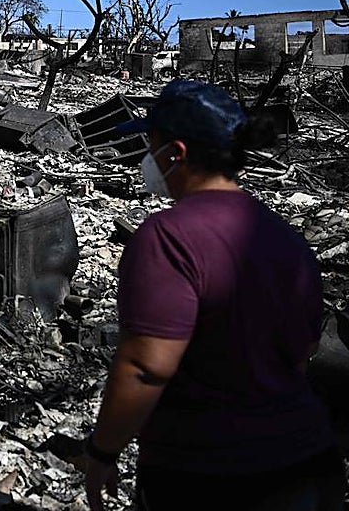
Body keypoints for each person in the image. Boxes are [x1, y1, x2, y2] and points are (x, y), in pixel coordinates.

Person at [85, 79, 341, 511]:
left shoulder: (167, 238)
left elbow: (146, 367)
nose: (147, 158)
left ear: (176, 153)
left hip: (212, 477)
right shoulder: (287, 239)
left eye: (152, 145)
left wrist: (102, 453)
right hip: (309, 465)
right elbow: (304, 351)